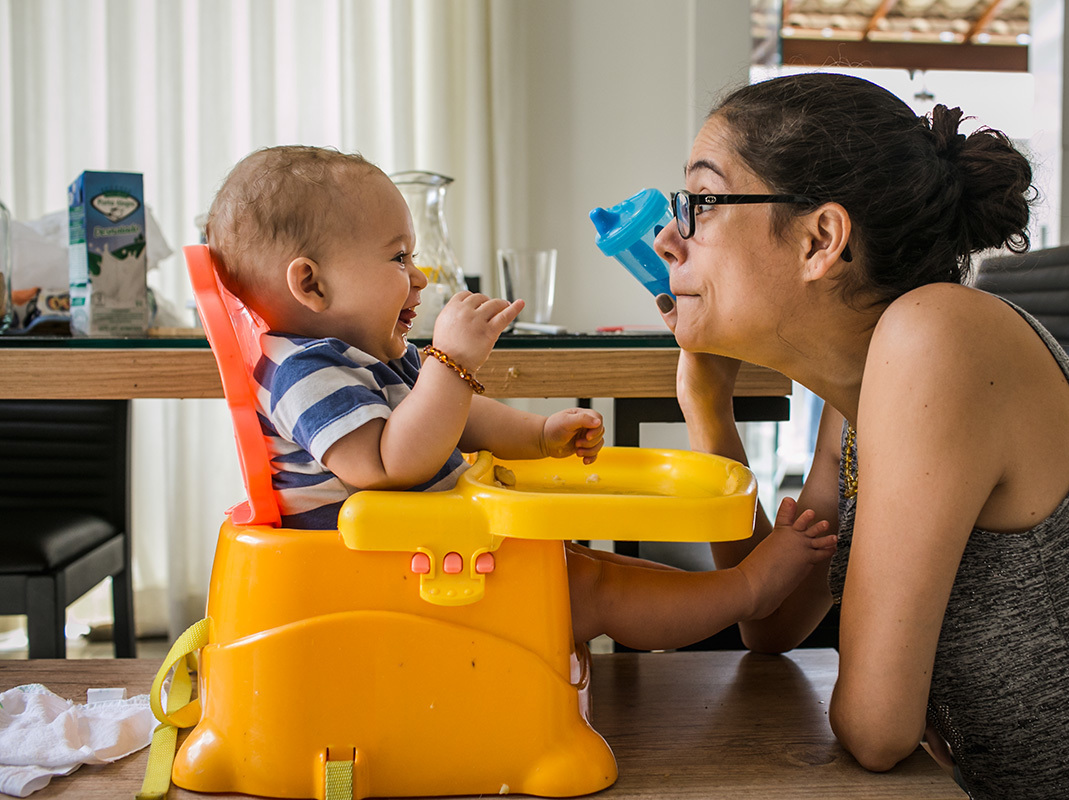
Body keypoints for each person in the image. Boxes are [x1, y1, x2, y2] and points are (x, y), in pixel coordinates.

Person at [652, 73, 1069, 799]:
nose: (667, 239)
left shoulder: (934, 336)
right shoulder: (855, 398)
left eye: (701, 204)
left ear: (821, 238)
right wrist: (710, 412)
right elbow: (773, 617)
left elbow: (877, 730)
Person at [202, 144, 836, 653]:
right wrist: (450, 363)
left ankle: (731, 589)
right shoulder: (299, 372)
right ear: (310, 283)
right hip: (380, 582)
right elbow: (390, 465)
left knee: (584, 568)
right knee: (591, 590)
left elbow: (459, 421)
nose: (419, 277)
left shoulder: (370, 356)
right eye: (399, 258)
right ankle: (748, 590)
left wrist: (536, 436)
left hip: (433, 555)